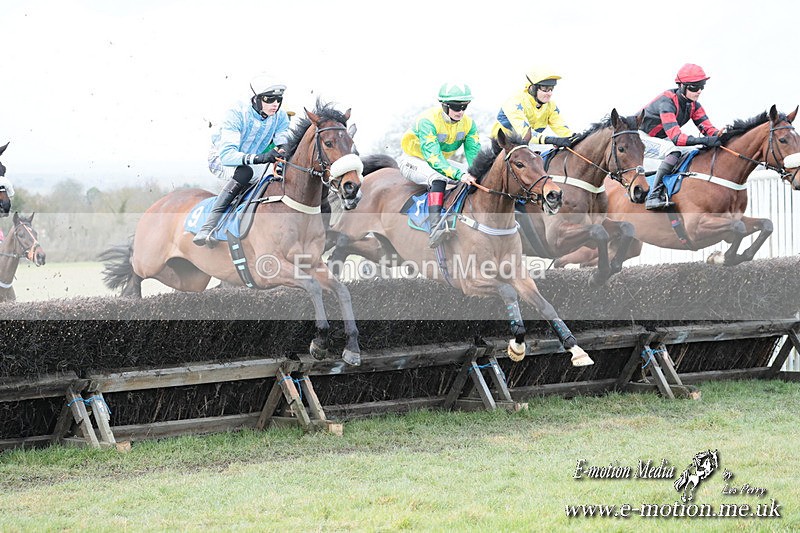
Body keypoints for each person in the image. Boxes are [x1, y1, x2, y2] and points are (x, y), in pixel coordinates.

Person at [193, 73, 291, 247]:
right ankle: (208, 226)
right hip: (223, 159)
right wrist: (260, 158)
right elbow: (228, 155)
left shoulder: (281, 117)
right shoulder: (236, 113)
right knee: (245, 172)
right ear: (256, 99)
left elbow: (282, 142)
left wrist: (283, 152)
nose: (275, 104)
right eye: (269, 99)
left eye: (278, 99)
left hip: (256, 162)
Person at [398, 82, 481, 248]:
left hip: (439, 161)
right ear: (444, 105)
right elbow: (434, 158)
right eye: (456, 107)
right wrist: (460, 175)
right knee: (438, 178)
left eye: (464, 106)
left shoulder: (469, 124)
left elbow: (475, 156)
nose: (461, 112)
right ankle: (436, 227)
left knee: (475, 176)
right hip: (413, 160)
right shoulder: (427, 121)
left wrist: (477, 173)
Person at [639, 63, 723, 210]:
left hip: (661, 138)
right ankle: (653, 197)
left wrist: (723, 135)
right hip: (639, 138)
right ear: (682, 86)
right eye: (694, 87)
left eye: (702, 86)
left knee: (694, 151)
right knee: (673, 151)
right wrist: (706, 141)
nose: (699, 91)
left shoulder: (694, 105)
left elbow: (709, 130)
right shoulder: (667, 102)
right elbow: (677, 138)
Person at [491, 68, 577, 148]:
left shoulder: (551, 106)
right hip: (502, 145)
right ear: (533, 88)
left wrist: (573, 138)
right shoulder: (514, 101)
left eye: (551, 89)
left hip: (525, 147)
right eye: (545, 89)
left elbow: (561, 128)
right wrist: (553, 140)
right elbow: (525, 134)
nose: (549, 93)